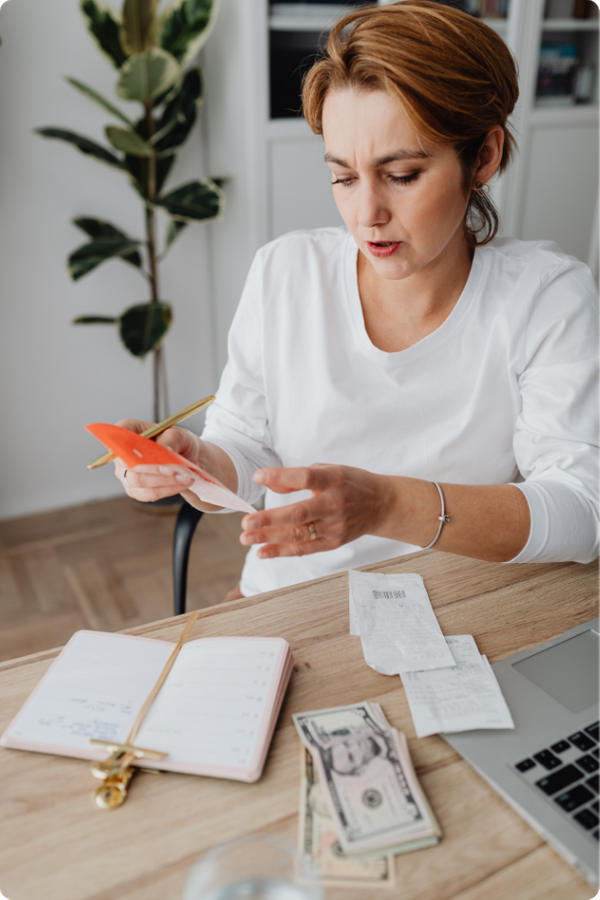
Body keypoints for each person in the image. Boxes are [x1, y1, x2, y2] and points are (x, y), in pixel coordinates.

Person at [116, 1, 600, 600]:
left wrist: (389, 505)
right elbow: (245, 446)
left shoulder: (547, 297)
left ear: (484, 156)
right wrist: (197, 463)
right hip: (292, 599)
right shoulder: (284, 272)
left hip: (453, 607)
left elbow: (582, 512)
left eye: (401, 174)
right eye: (343, 177)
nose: (366, 216)